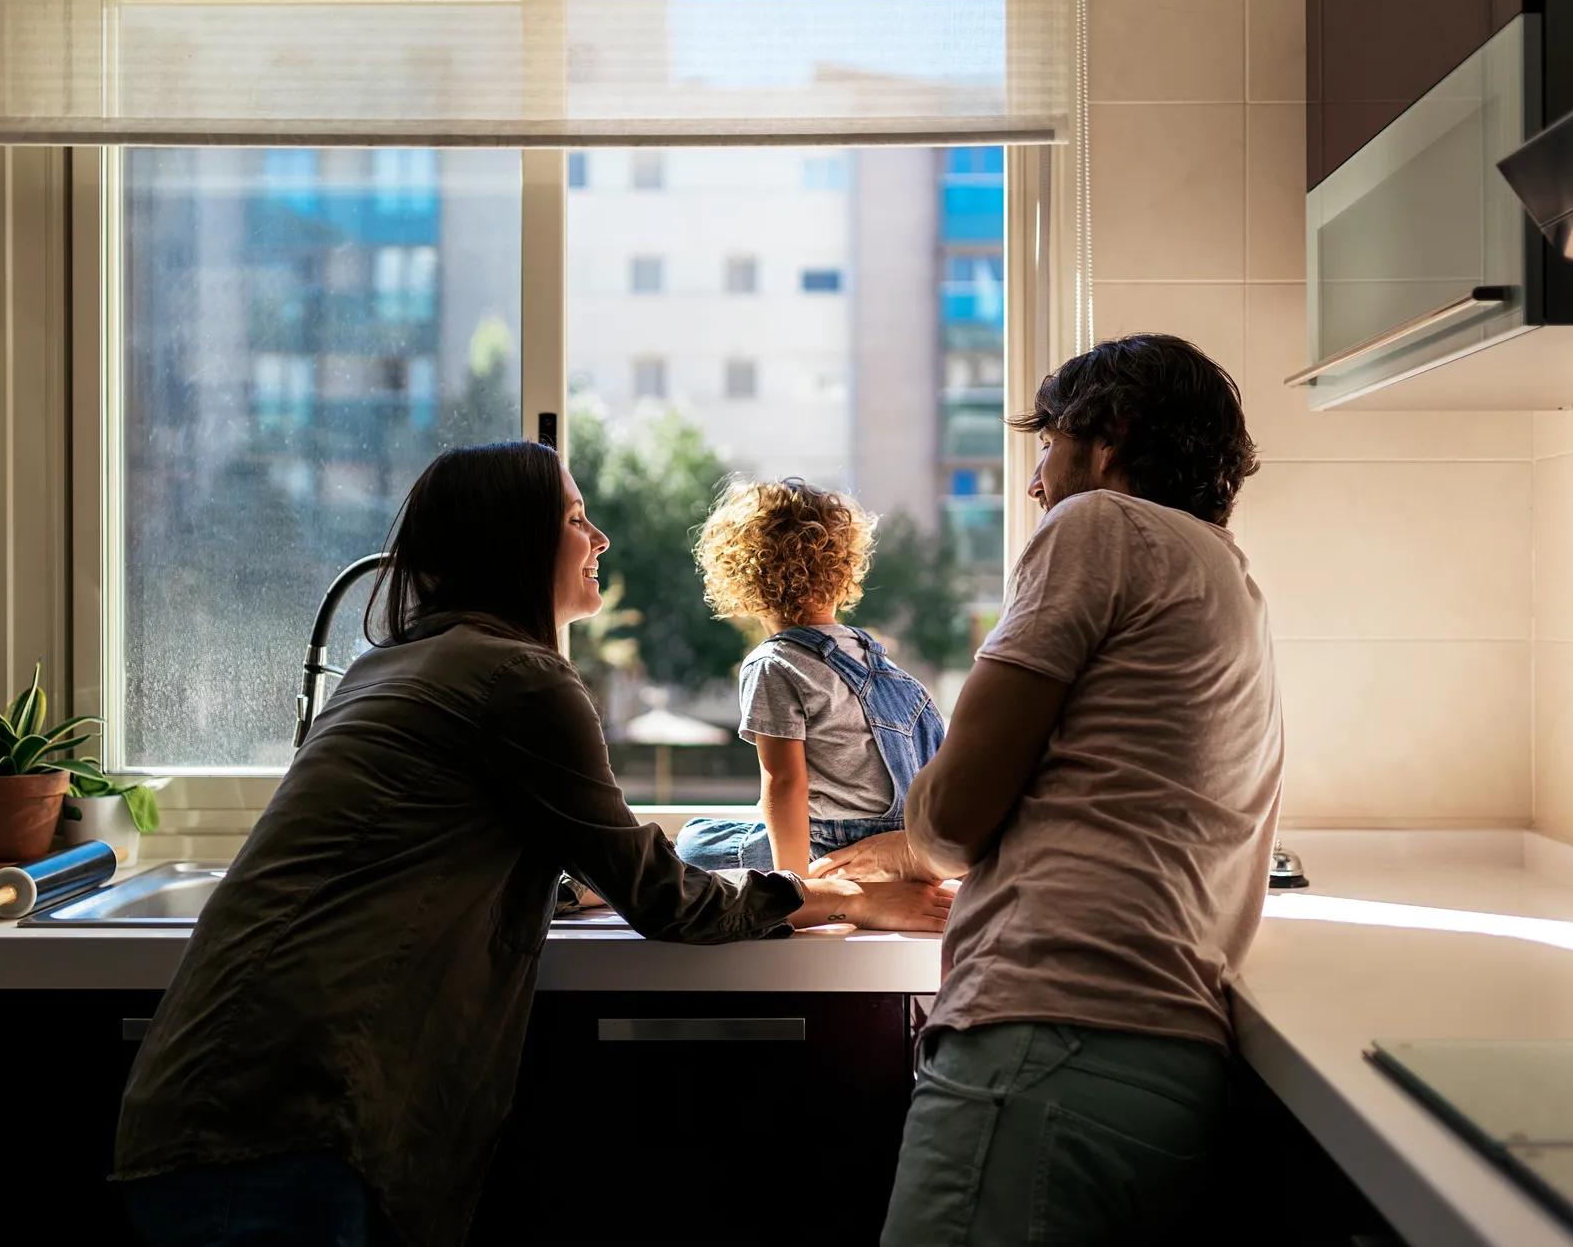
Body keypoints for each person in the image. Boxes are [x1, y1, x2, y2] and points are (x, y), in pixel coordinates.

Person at [110, 443, 952, 1247]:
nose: (600, 537)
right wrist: (839, 896)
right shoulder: (521, 680)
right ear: (515, 540)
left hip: (211, 1096)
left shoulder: (391, 667)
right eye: (578, 517)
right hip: (295, 1124)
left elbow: (481, 858)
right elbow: (658, 894)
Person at [859, 335, 1283, 1245]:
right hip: (1163, 1063)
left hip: (1049, 1042)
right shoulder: (1226, 575)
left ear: (1109, 435)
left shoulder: (1100, 529)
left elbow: (954, 820)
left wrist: (914, 830)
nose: (1035, 481)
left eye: (1048, 442)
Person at [674, 478, 945, 879]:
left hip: (829, 850)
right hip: (902, 848)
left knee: (694, 842)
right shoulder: (891, 674)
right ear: (845, 569)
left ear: (742, 576)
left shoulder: (774, 663)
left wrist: (797, 888)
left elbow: (784, 784)